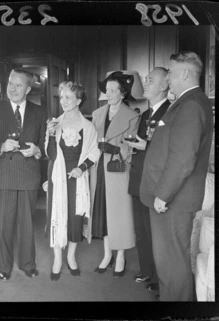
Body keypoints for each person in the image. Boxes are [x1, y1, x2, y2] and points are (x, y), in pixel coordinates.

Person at [140, 52, 214, 301]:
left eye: (170, 72)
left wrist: (163, 195)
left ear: (184, 73)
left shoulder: (191, 104)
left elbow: (183, 159)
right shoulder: (188, 101)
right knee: (169, 261)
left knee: (172, 262)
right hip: (173, 200)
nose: (168, 78)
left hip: (172, 201)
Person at [0, 68, 46, 281]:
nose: (12, 88)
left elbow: (46, 144)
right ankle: (4, 266)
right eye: (10, 83)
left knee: (27, 224)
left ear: (28, 89)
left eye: (18, 85)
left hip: (29, 174)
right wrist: (1, 145)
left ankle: (28, 264)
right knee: (3, 224)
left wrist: (37, 150)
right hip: (3, 174)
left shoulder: (39, 112)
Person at [45, 81, 100, 281]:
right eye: (62, 97)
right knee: (57, 217)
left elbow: (95, 151)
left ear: (78, 100)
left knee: (75, 219)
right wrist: (51, 134)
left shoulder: (88, 126)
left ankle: (71, 256)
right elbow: (50, 155)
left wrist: (81, 168)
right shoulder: (54, 123)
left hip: (77, 178)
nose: (64, 101)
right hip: (58, 178)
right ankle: (57, 259)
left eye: (68, 97)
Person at [89, 71, 140, 278]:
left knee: (119, 214)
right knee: (103, 212)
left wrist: (114, 148)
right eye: (106, 90)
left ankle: (120, 255)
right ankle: (107, 254)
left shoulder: (133, 116)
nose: (107, 94)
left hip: (118, 170)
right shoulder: (97, 113)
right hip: (98, 170)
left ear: (122, 93)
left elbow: (133, 147)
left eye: (112, 90)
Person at [126, 67, 171, 293]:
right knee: (141, 230)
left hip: (154, 182)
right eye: (146, 78)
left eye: (151, 79)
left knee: (155, 232)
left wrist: (146, 145)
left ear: (164, 85)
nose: (146, 81)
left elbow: (170, 149)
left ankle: (158, 278)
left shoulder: (170, 113)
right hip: (138, 180)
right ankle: (146, 271)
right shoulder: (145, 114)